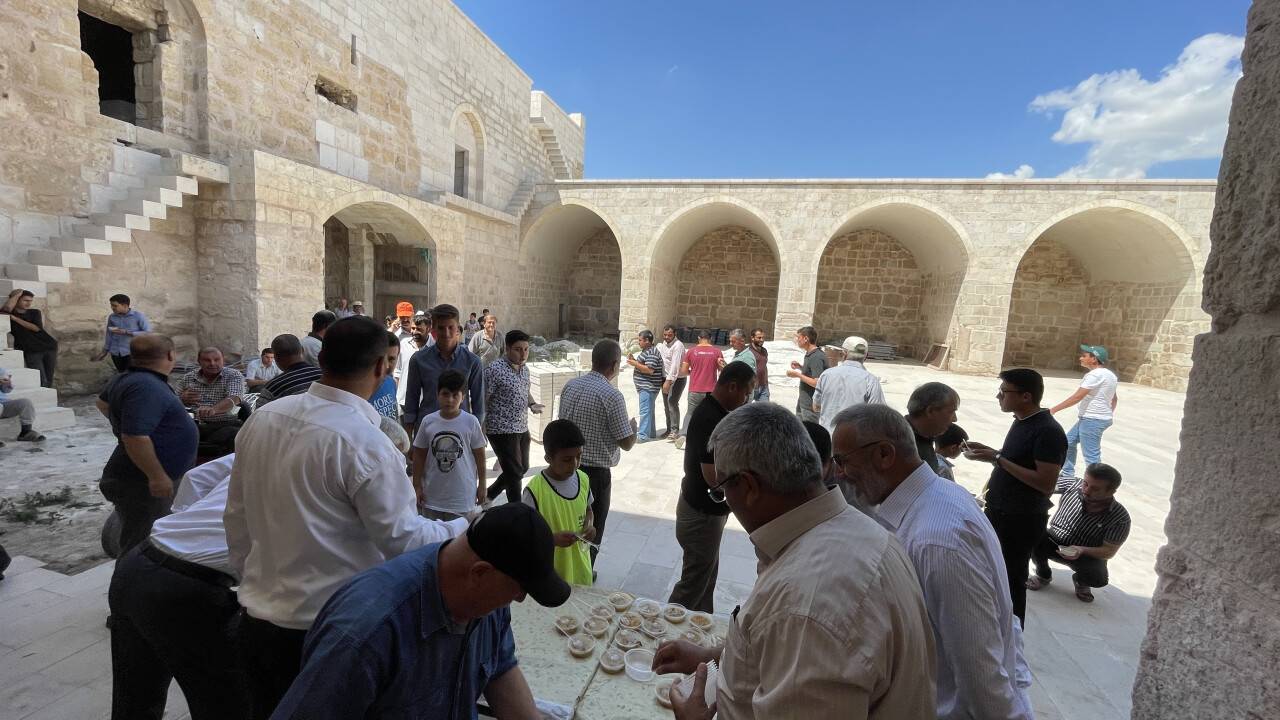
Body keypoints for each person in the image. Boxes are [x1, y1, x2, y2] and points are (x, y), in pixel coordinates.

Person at [224, 316, 471, 719]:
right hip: (332, 634)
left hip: (259, 623)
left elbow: (236, 520)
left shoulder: (264, 420)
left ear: (320, 360)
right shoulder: (366, 444)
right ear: (381, 367)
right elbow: (404, 541)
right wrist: (462, 526)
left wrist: (255, 582)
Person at [652, 402, 936, 720]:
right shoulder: (863, 532)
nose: (726, 502)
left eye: (722, 490)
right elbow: (774, 655)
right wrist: (715, 658)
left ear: (748, 487)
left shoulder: (804, 607)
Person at [270, 503, 568, 719]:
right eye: (519, 591)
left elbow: (500, 668)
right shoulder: (366, 634)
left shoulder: (486, 603)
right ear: (479, 573)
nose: (518, 600)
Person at [832, 404, 1032, 720]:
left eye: (842, 461)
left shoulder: (937, 541)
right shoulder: (941, 499)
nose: (840, 473)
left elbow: (981, 672)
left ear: (884, 455)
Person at [108, 454, 249, 720]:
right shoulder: (337, 457)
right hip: (188, 590)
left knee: (135, 698)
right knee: (227, 703)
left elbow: (197, 477)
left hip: (140, 559)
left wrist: (188, 532)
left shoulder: (262, 439)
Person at [963, 368, 1067, 625]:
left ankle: (1013, 637)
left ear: (1025, 396)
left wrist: (997, 459)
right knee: (993, 573)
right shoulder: (1021, 421)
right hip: (1000, 512)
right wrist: (992, 454)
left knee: (1011, 579)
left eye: (1004, 391)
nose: (998, 396)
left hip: (1021, 519)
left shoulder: (1047, 431)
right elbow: (1017, 462)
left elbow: (1045, 482)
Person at [96, 334, 197, 554]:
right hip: (141, 481)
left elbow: (102, 403)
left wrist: (121, 423)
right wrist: (157, 476)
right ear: (171, 355)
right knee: (142, 542)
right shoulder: (145, 386)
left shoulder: (127, 378)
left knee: (144, 533)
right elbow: (135, 437)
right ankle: (131, 585)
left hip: (138, 476)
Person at [668, 362, 755, 612]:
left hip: (705, 513)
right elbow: (712, 476)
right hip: (701, 516)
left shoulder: (716, 411)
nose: (747, 398)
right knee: (693, 584)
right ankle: (664, 627)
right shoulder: (709, 417)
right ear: (732, 386)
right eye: (746, 392)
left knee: (707, 578)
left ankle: (702, 628)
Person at [557, 340, 637, 563]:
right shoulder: (612, 396)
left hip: (565, 470)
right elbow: (626, 443)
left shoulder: (570, 386)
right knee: (592, 528)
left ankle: (566, 569)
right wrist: (633, 429)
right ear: (614, 364)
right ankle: (584, 572)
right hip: (595, 475)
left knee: (569, 522)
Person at [1028, 463, 1131, 603]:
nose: (1087, 491)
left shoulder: (1120, 518)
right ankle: (1043, 574)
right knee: (1030, 534)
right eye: (1086, 484)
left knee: (1099, 578)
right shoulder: (1072, 485)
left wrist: (1081, 550)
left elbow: (1109, 551)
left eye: (1095, 489)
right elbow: (1043, 483)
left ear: (1111, 491)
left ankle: (1081, 581)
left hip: (1085, 554)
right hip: (1052, 540)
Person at [522, 419, 596, 585]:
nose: (575, 464)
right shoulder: (534, 491)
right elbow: (525, 536)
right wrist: (552, 539)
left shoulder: (583, 479)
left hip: (580, 567)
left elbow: (588, 509)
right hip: (551, 573)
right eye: (567, 459)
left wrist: (589, 525)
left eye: (579, 456)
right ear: (548, 458)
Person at [411, 369, 488, 521]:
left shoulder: (471, 422)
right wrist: (417, 486)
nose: (450, 400)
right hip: (432, 498)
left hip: (462, 498)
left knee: (458, 541)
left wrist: (482, 485)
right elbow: (419, 454)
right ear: (437, 394)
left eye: (455, 395)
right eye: (445, 394)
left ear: (463, 397)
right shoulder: (428, 421)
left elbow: (480, 455)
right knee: (433, 540)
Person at [402, 304, 484, 432]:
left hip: (461, 431)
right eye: (441, 328)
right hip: (427, 431)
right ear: (433, 328)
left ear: (458, 328)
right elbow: (412, 398)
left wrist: (478, 435)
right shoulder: (419, 360)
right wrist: (408, 434)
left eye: (450, 327)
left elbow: (478, 402)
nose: (446, 333)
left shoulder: (473, 362)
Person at [483, 330, 541, 503]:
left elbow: (526, 390)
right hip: (500, 429)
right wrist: (480, 426)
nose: (523, 354)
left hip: (521, 426)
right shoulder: (494, 370)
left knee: (523, 468)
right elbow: (482, 399)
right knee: (514, 473)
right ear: (507, 349)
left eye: (526, 349)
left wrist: (532, 404)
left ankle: (489, 495)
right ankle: (516, 510)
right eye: (518, 349)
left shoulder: (525, 370)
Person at [1050, 344, 1119, 479]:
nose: (1080, 358)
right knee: (1068, 442)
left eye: (1084, 356)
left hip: (1093, 419)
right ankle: (1067, 474)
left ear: (1094, 359)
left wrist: (1053, 410)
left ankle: (1096, 485)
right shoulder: (1110, 375)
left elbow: (1077, 396)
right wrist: (1107, 414)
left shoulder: (1094, 375)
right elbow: (1114, 399)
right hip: (1094, 418)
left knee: (1091, 456)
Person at [812, 336, 885, 432]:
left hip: (827, 438)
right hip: (853, 440)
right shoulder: (871, 381)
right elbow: (878, 415)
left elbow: (816, 406)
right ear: (866, 356)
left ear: (843, 354)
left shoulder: (826, 375)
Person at [675, 329, 721, 448]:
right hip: (711, 390)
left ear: (699, 338)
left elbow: (684, 371)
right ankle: (711, 438)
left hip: (695, 389)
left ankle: (683, 434)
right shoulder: (717, 352)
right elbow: (722, 369)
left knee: (690, 413)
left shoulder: (691, 351)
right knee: (711, 415)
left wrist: (693, 372)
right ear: (710, 339)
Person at [2, 289, 58, 387]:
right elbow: (3, 312)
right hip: (30, 350)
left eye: (30, 301)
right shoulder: (9, 314)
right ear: (17, 300)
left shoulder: (34, 312)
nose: (29, 303)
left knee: (49, 378)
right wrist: (15, 296)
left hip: (48, 346)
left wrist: (15, 319)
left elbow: (36, 328)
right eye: (25, 300)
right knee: (39, 379)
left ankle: (48, 400)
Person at [904, 381, 960, 475]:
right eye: (951, 412)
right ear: (930, 411)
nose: (955, 419)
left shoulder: (924, 437)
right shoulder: (901, 442)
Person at [256, 334, 322, 406]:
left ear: (276, 358)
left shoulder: (272, 388)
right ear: (302, 350)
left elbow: (260, 415)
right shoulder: (323, 376)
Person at [93, 293, 152, 372]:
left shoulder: (138, 316)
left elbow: (148, 333)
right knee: (121, 373)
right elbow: (109, 334)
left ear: (124, 305)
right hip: (115, 352)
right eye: (111, 305)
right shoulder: (112, 317)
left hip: (131, 352)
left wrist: (127, 332)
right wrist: (104, 351)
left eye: (115, 305)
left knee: (131, 374)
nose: (112, 308)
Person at [626, 329, 665, 442]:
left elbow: (649, 370)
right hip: (647, 387)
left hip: (648, 387)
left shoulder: (652, 352)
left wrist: (634, 363)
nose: (639, 342)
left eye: (640, 340)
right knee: (649, 410)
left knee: (645, 411)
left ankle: (643, 436)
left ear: (647, 341)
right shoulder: (647, 351)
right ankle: (651, 433)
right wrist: (634, 361)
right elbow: (643, 364)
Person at [786, 325, 825, 423]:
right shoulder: (810, 354)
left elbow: (817, 382)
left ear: (806, 339)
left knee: (810, 433)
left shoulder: (816, 357)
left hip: (810, 405)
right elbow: (812, 373)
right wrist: (800, 367)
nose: (797, 340)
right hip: (803, 401)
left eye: (798, 337)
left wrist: (797, 375)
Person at [395, 314, 433, 412]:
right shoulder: (403, 344)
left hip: (425, 404)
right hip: (403, 401)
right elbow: (397, 372)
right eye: (413, 328)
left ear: (428, 329)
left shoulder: (435, 349)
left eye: (419, 329)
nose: (415, 332)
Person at [0, 367, 45, 444]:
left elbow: (6, 390)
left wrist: (7, 383)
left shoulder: (1, 370)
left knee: (25, 403)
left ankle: (25, 432)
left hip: (4, 404)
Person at [658, 324, 687, 440]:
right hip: (665, 378)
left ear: (675, 334)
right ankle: (669, 429)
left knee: (672, 402)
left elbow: (675, 365)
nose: (666, 337)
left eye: (669, 335)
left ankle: (675, 431)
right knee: (666, 405)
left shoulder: (678, 345)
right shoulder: (662, 345)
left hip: (677, 379)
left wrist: (668, 381)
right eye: (665, 335)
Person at [369, 331, 400, 420]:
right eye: (382, 358)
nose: (386, 365)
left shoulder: (391, 382)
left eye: (391, 359)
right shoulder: (362, 389)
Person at [748, 328, 769, 402]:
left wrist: (766, 382)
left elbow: (764, 366)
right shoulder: (748, 352)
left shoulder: (764, 351)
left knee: (765, 410)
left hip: (763, 387)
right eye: (759, 337)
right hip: (751, 388)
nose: (762, 340)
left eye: (763, 338)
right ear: (752, 338)